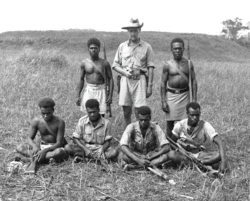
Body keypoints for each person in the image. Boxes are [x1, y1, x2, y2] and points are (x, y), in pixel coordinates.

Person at [112, 18, 155, 127]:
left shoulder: (147, 47)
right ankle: (128, 131)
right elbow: (115, 65)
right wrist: (125, 73)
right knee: (126, 110)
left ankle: (138, 133)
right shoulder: (122, 46)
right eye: (131, 30)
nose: (133, 33)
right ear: (128, 32)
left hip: (140, 80)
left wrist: (149, 86)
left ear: (139, 30)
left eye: (135, 30)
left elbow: (150, 67)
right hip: (125, 80)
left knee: (139, 111)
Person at [168, 102, 227, 173]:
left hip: (199, 155)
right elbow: (172, 143)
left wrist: (223, 162)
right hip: (183, 154)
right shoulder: (180, 125)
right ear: (187, 114)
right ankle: (200, 165)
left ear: (200, 113)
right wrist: (180, 151)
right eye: (192, 115)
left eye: (197, 115)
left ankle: (196, 164)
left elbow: (219, 141)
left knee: (219, 155)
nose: (195, 118)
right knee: (172, 154)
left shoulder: (205, 125)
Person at [16, 97, 68, 174]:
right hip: (42, 147)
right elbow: (29, 138)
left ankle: (31, 159)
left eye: (48, 113)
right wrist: (34, 146)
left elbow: (59, 143)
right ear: (40, 110)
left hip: (54, 148)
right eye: (43, 113)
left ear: (53, 110)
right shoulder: (37, 121)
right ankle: (44, 159)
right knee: (19, 147)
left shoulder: (60, 122)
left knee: (59, 152)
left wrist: (45, 151)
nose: (45, 116)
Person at [161, 37, 197, 138]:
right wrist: (163, 101)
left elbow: (194, 81)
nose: (177, 51)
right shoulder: (167, 65)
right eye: (175, 48)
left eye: (179, 48)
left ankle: (183, 144)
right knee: (170, 124)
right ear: (171, 49)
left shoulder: (189, 64)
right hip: (171, 96)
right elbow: (163, 83)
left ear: (183, 49)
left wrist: (194, 100)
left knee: (185, 123)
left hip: (185, 96)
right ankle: (169, 145)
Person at [76, 38, 114, 116]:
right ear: (88, 49)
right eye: (91, 48)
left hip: (101, 90)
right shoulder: (84, 63)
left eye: (95, 48)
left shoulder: (105, 63)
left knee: (101, 114)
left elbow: (110, 79)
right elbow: (81, 79)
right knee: (88, 113)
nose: (93, 50)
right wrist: (78, 95)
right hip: (89, 90)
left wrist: (110, 96)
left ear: (99, 49)